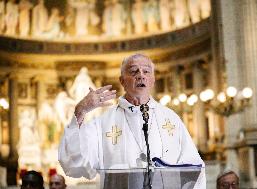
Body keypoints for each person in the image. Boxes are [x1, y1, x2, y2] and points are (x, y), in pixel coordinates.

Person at [58, 53, 206, 188]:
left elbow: (194, 167)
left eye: (146, 71)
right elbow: (75, 165)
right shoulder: (103, 123)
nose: (141, 75)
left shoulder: (171, 119)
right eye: (134, 71)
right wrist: (80, 110)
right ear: (122, 81)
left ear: (152, 80)